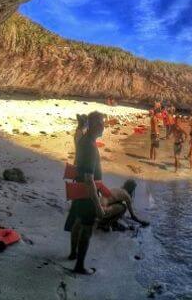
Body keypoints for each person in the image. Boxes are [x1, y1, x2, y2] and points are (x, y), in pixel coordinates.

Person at [66, 111, 106, 275]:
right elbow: (89, 178)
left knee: (76, 222)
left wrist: (81, 124)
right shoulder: (89, 146)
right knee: (86, 229)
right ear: (95, 126)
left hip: (78, 189)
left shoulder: (83, 139)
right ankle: (79, 266)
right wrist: (98, 205)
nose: (104, 127)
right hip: (87, 192)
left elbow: (78, 133)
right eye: (102, 124)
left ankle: (73, 253)